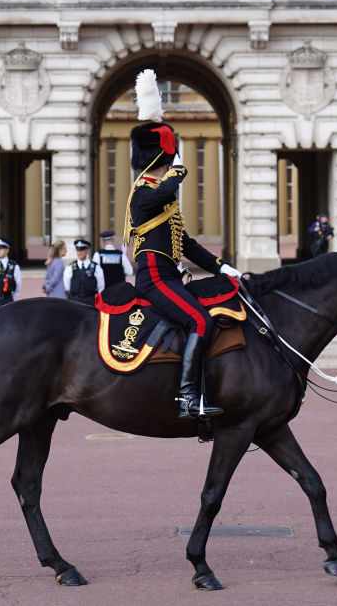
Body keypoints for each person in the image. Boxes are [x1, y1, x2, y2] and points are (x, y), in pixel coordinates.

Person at [123, 68, 241, 419]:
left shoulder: (161, 198)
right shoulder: (143, 195)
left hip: (170, 276)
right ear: (158, 161)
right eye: (167, 161)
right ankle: (188, 398)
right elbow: (168, 187)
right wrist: (175, 164)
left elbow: (186, 244)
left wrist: (222, 266)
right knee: (200, 322)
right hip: (154, 278)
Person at [62, 239, 105, 305]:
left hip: (90, 301)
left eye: (82, 250)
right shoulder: (70, 267)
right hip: (75, 301)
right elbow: (67, 285)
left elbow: (101, 286)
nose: (79, 252)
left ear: (87, 251)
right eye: (78, 250)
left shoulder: (96, 267)